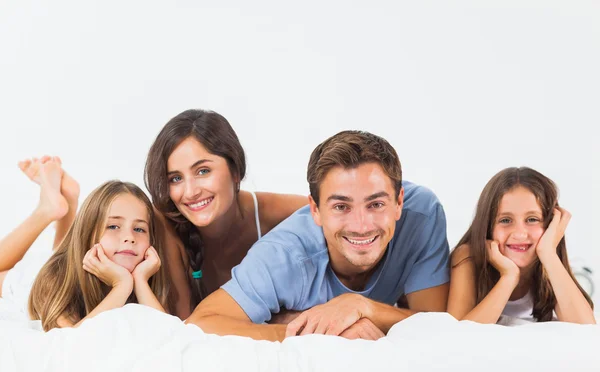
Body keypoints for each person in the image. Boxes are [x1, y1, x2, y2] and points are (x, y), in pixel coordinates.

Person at [186, 130, 451, 341]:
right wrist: (317, 332)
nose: (361, 225)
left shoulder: (422, 215)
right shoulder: (283, 255)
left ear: (399, 202)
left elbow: (433, 322)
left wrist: (360, 307)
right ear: (315, 210)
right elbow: (201, 322)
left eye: (376, 204)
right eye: (340, 207)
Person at [144, 109, 307, 318]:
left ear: (236, 170)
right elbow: (184, 325)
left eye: (203, 171)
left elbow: (339, 218)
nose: (191, 192)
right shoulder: (165, 224)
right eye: (176, 178)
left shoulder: (281, 213)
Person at [0, 157, 169, 331]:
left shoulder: (149, 276)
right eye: (113, 226)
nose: (129, 237)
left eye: (139, 229)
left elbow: (169, 334)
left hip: (67, 259)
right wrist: (122, 285)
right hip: (34, 275)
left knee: (63, 253)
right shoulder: (53, 279)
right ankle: (47, 210)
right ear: (89, 232)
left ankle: (67, 203)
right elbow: (75, 340)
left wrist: (140, 280)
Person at [446, 167, 595, 324]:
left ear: (550, 223)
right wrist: (509, 277)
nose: (519, 234)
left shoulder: (548, 262)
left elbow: (585, 328)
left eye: (532, 219)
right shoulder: (468, 256)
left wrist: (549, 254)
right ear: (488, 226)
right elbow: (459, 333)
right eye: (505, 220)